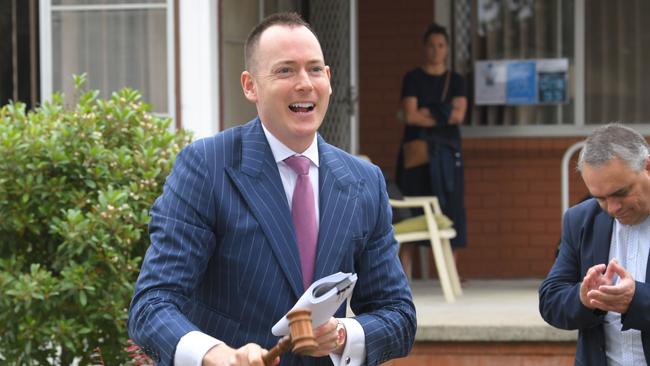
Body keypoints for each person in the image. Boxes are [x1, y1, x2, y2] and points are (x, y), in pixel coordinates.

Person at [127, 12, 416, 366]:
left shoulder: (364, 181)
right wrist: (217, 355)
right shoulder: (205, 167)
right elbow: (152, 304)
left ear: (328, 79)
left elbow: (399, 315)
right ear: (250, 86)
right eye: (285, 70)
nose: (304, 83)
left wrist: (342, 334)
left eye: (314, 69)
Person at [539, 123, 650, 365]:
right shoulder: (580, 219)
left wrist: (637, 300)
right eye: (600, 198)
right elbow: (550, 300)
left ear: (647, 167)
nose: (612, 208)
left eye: (620, 193)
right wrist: (583, 296)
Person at [395, 23, 468, 276]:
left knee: (452, 207)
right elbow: (410, 115)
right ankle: (402, 275)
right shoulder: (412, 78)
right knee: (409, 210)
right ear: (424, 48)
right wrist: (441, 112)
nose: (436, 50)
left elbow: (458, 115)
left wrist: (427, 111)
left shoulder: (456, 80)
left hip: (448, 154)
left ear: (446, 49)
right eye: (431, 45)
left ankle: (450, 275)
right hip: (417, 156)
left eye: (440, 46)